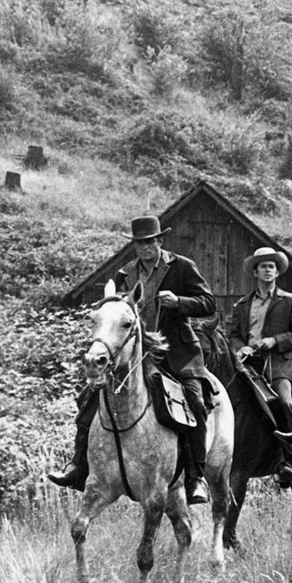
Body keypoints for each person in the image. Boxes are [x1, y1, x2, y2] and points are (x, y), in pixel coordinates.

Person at [48, 215, 218, 505]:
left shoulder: (182, 267)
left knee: (196, 402)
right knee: (88, 397)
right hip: (133, 353)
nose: (144, 248)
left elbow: (208, 303)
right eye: (139, 243)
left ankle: (195, 477)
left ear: (159, 241)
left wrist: (179, 303)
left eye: (149, 242)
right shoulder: (124, 274)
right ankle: (78, 466)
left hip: (177, 351)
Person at [228, 245, 292, 489]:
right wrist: (239, 347)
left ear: (277, 272)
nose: (267, 271)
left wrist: (275, 341)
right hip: (247, 364)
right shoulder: (242, 305)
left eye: (271, 267)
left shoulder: (291, 302)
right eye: (263, 266)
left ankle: (287, 458)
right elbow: (232, 335)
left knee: (283, 400)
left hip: (279, 364)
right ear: (255, 272)